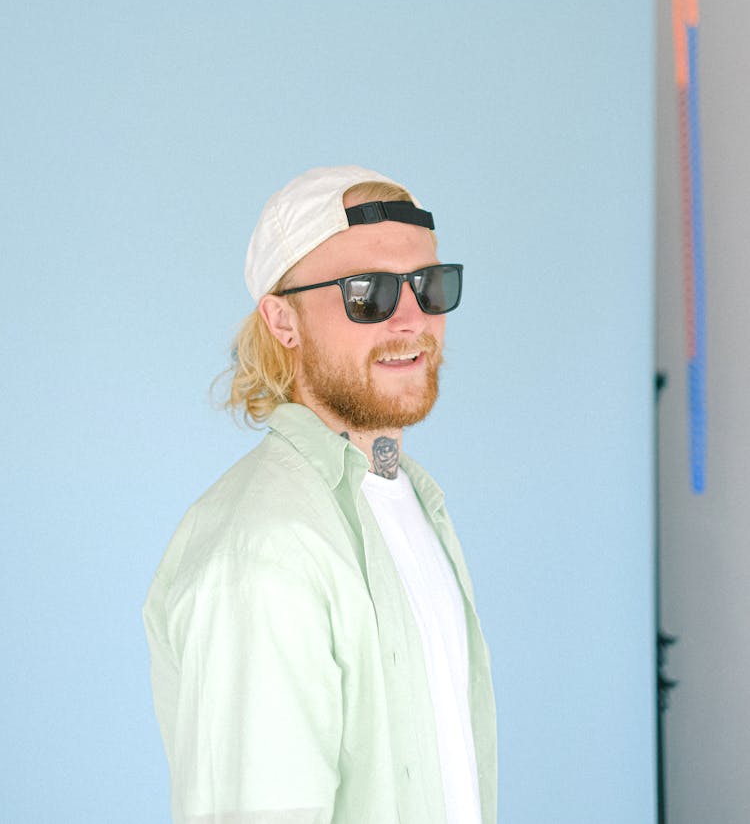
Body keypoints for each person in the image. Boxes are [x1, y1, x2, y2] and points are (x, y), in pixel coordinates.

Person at [143, 165, 497, 824]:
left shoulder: (412, 500)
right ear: (282, 320)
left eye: (429, 285)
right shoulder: (264, 547)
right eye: (369, 293)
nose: (411, 320)